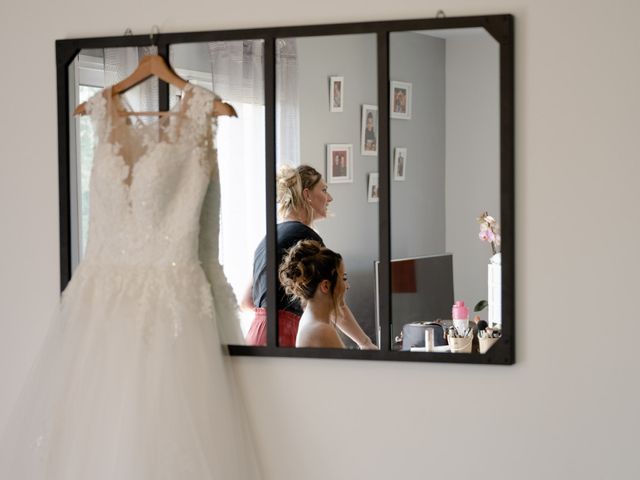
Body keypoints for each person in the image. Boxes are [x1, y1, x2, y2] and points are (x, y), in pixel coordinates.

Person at [242, 164, 376, 349]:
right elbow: (331, 297)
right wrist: (365, 342)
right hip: (284, 335)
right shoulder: (306, 238)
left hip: (256, 334)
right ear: (307, 195)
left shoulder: (268, 237)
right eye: (324, 189)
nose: (330, 198)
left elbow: (246, 301)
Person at [279, 240, 347, 348]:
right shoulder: (322, 330)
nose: (347, 286)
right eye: (344, 279)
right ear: (325, 286)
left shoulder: (310, 320)